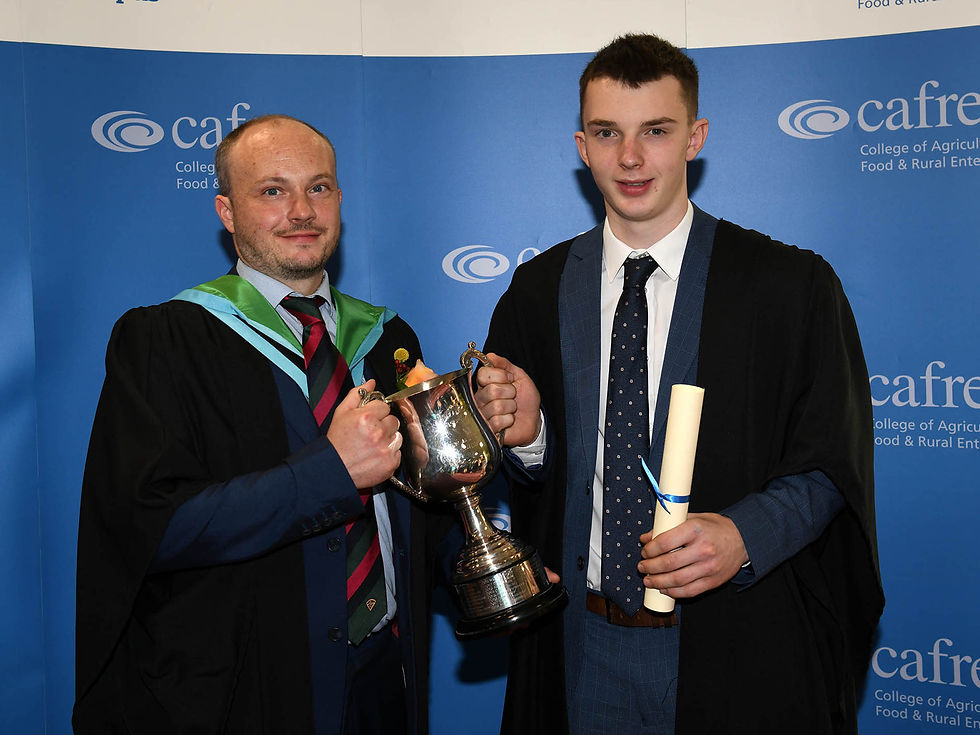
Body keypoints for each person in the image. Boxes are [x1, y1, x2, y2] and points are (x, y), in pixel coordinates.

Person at [475, 34, 884, 734]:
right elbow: (526, 472)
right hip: (579, 649)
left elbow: (829, 463)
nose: (630, 158)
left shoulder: (789, 287)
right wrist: (531, 436)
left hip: (737, 648)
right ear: (582, 145)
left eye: (655, 131)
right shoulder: (537, 291)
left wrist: (742, 534)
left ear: (695, 136)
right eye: (608, 133)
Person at [74, 114, 441, 735]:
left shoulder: (387, 340)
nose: (301, 209)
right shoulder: (164, 341)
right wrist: (331, 471)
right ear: (226, 211)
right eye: (272, 191)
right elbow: (152, 530)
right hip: (244, 690)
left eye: (318, 187)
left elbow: (415, 511)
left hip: (384, 683)